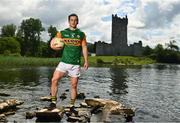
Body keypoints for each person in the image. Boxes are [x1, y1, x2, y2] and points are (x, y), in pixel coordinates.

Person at [50, 13, 89, 108]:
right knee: (54, 80)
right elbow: (54, 41)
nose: (73, 22)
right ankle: (53, 102)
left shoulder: (81, 34)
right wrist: (52, 46)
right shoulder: (62, 32)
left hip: (75, 64)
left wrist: (86, 61)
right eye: (71, 20)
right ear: (69, 21)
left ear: (77, 22)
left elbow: (84, 47)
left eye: (75, 20)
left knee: (74, 85)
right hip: (64, 62)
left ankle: (72, 106)